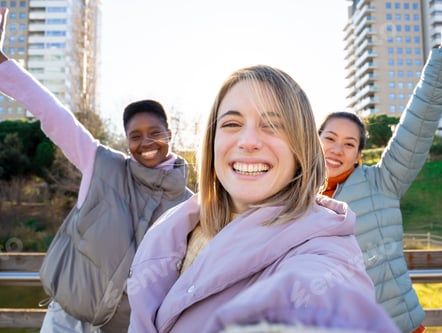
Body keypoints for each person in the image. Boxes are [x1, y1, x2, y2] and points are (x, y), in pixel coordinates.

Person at [126, 64, 400, 333]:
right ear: (212, 140)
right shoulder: (176, 224)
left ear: (301, 148)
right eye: (232, 123)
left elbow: (322, 301)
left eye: (272, 125)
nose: (248, 141)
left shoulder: (322, 248)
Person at [0, 8, 193, 333]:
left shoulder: (190, 206)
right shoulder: (102, 164)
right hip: (65, 321)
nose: (146, 142)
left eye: (155, 133)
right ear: (126, 140)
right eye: (135, 136)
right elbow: (53, 113)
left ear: (169, 135)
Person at [317, 1, 442, 332]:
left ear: (360, 154)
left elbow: (418, 123)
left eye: (349, 143)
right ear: (314, 141)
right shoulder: (295, 198)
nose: (336, 149)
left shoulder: (382, 183)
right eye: (329, 138)